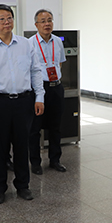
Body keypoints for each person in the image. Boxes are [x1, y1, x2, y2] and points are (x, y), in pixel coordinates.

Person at [0, 4, 45, 204]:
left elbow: (35, 71)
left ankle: (23, 185)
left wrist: (39, 97)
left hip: (24, 101)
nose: (6, 22)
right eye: (2, 19)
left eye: (9, 18)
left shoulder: (25, 44)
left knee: (22, 146)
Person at [28, 9, 67, 174]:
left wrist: (55, 79)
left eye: (49, 20)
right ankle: (35, 163)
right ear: (36, 25)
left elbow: (60, 63)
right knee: (35, 128)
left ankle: (55, 160)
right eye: (43, 21)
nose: (47, 24)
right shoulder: (30, 43)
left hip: (56, 87)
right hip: (38, 89)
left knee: (55, 127)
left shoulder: (57, 41)